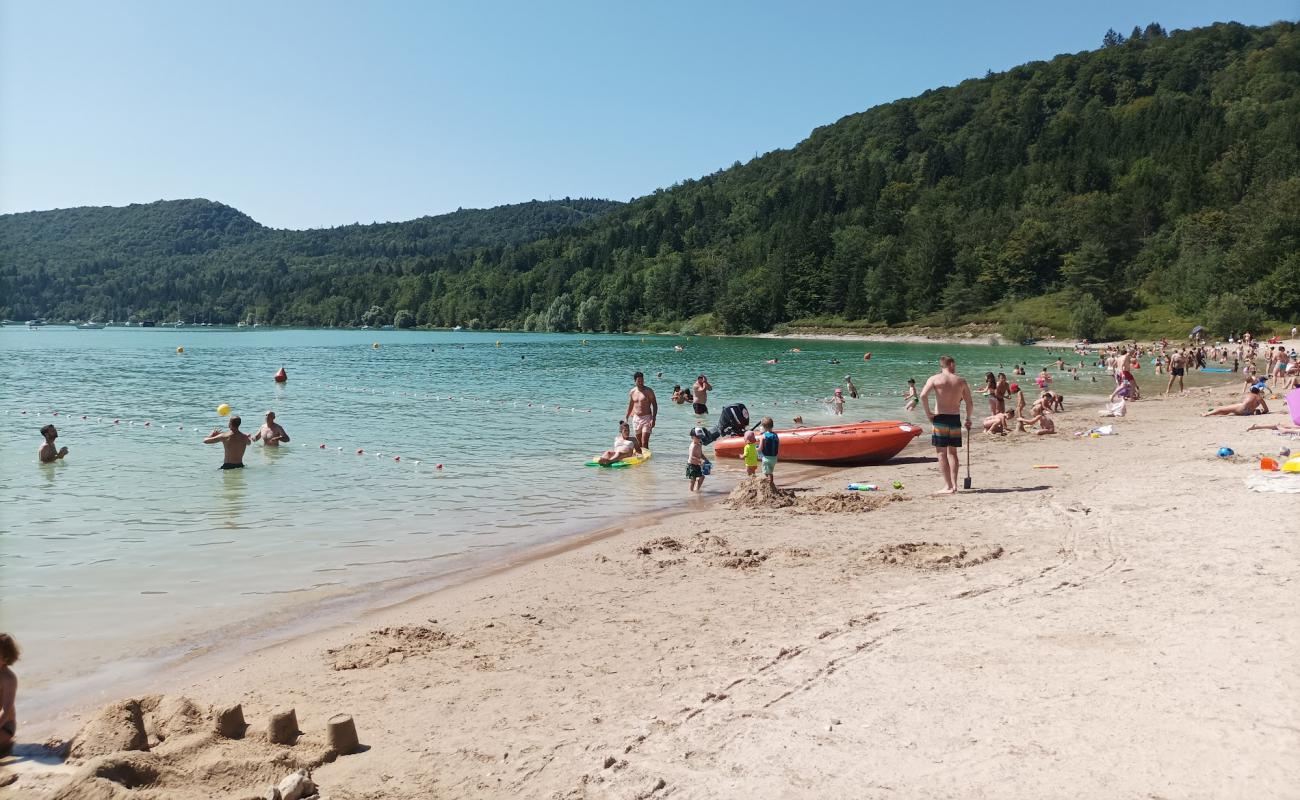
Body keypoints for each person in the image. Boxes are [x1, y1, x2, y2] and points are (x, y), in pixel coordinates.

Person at [918, 356, 974, 494]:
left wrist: (929, 414)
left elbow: (923, 396)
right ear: (951, 364)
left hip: (940, 418)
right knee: (952, 453)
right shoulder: (960, 381)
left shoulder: (935, 379)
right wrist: (968, 418)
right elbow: (969, 403)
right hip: (955, 418)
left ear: (941, 365)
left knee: (941, 454)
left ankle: (948, 486)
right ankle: (954, 485)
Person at [624, 372, 658, 449]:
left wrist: (653, 418)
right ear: (635, 381)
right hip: (636, 419)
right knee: (639, 443)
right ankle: (643, 459)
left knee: (644, 442)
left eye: (642, 380)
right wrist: (626, 417)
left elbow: (655, 405)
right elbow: (631, 405)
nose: (641, 383)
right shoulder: (632, 392)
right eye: (639, 381)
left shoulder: (649, 391)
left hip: (647, 418)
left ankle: (647, 457)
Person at [0, 633, 18, 759]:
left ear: (5, 658)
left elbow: (6, 712)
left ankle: (6, 743)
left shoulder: (9, 679)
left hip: (5, 725)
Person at [1203, 387, 1268, 416]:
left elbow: (1244, 402)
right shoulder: (1260, 398)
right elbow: (1266, 410)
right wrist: (1262, 412)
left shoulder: (1249, 394)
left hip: (1241, 409)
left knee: (1221, 409)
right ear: (1258, 392)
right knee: (1228, 412)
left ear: (1251, 391)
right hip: (1249, 412)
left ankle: (1206, 414)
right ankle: (1214, 414)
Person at [759, 416, 779, 488]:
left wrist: (756, 449)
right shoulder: (775, 435)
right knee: (770, 472)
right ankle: (771, 484)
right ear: (772, 426)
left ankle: (769, 485)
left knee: (766, 472)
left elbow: (760, 448)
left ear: (764, 427)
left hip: (767, 458)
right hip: (774, 458)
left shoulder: (763, 436)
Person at [686, 427, 706, 492]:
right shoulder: (693, 446)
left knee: (702, 477)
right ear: (692, 437)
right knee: (693, 480)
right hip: (691, 465)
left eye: (700, 437)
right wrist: (700, 460)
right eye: (697, 438)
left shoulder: (699, 444)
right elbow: (692, 457)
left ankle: (697, 489)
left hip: (697, 465)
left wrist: (705, 459)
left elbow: (701, 454)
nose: (699, 439)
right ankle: (691, 491)